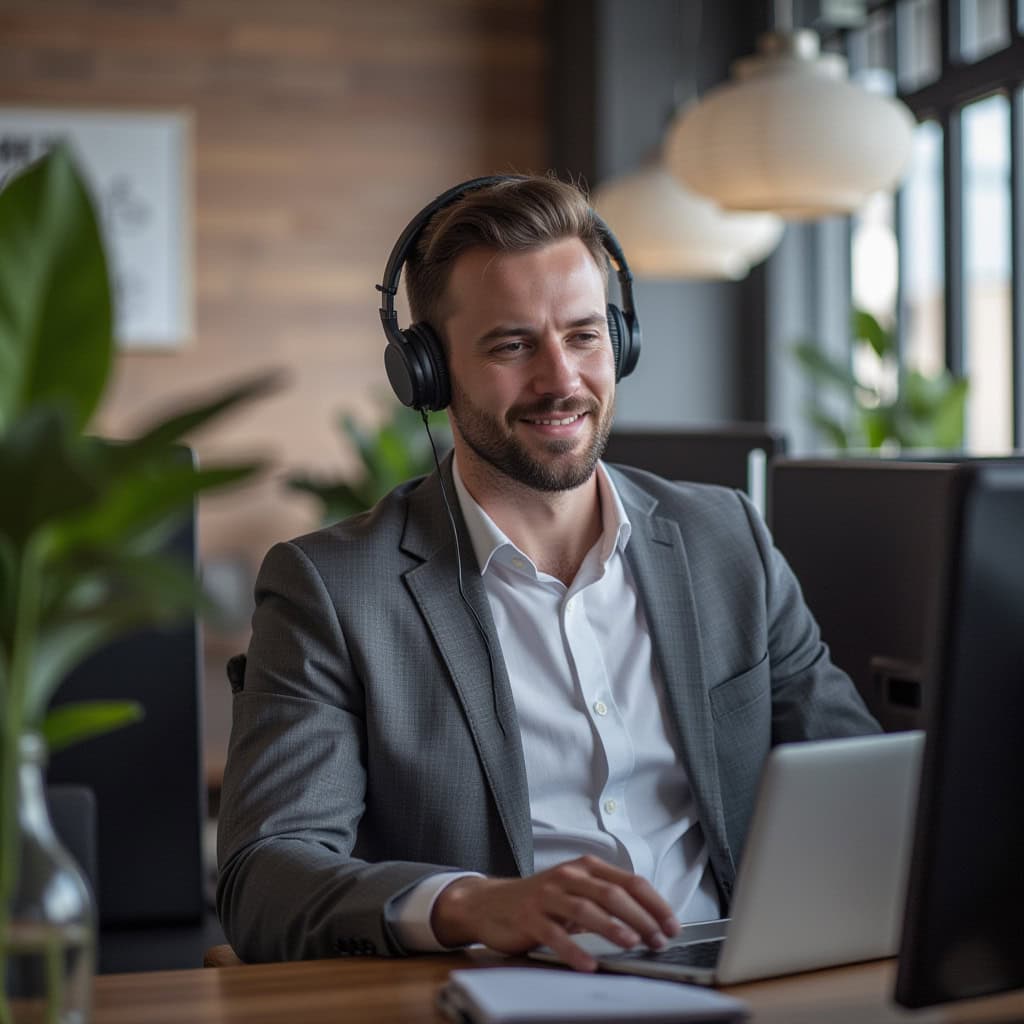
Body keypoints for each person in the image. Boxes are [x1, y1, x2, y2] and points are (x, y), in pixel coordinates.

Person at [216, 174, 879, 969]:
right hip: (510, 991)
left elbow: (870, 792)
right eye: (511, 345)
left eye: (584, 335)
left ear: (621, 342)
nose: (561, 380)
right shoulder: (331, 588)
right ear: (427, 373)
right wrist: (470, 903)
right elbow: (266, 876)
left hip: (741, 977)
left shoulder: (725, 538)